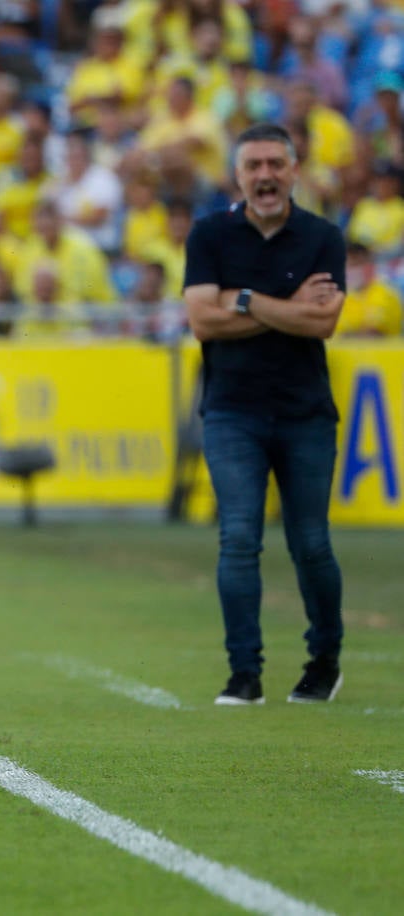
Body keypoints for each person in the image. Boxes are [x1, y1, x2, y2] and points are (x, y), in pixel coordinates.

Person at [183, 122, 347, 706]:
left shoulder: (324, 236)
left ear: (295, 170)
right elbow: (202, 321)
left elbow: (323, 321)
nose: (265, 175)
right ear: (237, 174)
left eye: (275, 164)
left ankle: (324, 660)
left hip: (305, 413)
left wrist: (243, 300)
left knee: (311, 544)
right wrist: (285, 307)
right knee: (239, 540)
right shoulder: (209, 235)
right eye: (253, 165)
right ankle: (244, 674)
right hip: (231, 412)